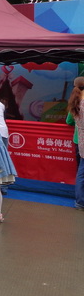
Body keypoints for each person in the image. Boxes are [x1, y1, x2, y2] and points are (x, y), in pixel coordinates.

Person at [67, 76, 84, 211]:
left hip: (79, 142)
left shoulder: (75, 103)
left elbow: (69, 121)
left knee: (81, 172)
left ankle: (80, 201)